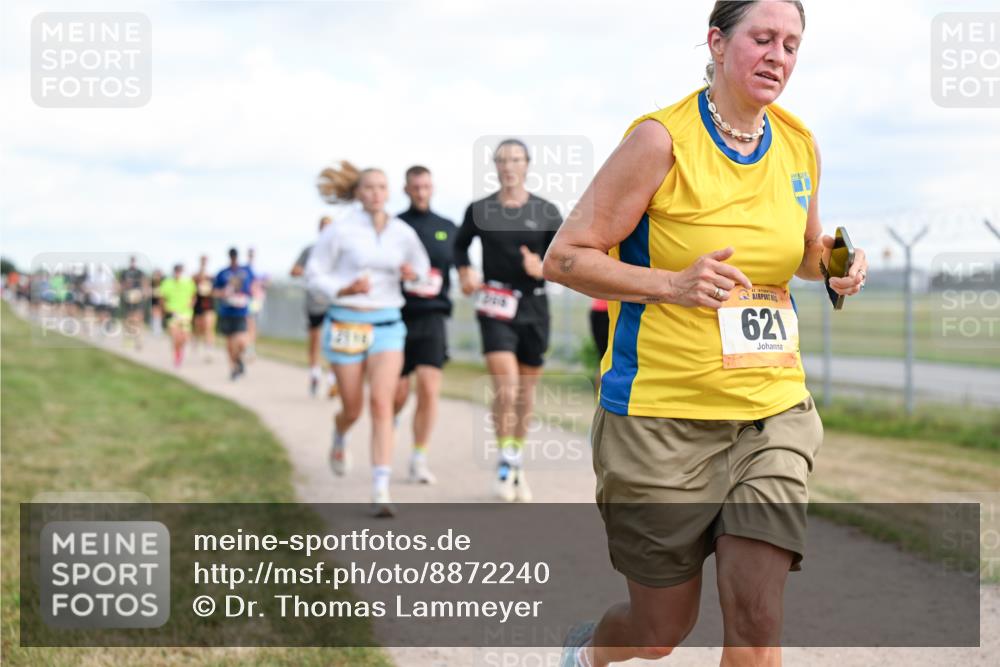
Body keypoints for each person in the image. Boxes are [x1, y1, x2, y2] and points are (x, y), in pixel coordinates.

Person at [541, 2, 868, 665]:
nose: (778, 55)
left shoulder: (800, 142)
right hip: (659, 418)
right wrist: (672, 284)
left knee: (756, 614)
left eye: (793, 45)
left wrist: (834, 262)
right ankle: (588, 654)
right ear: (717, 43)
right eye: (763, 38)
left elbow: (803, 251)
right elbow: (565, 256)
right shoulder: (660, 141)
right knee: (660, 630)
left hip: (768, 410)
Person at [306, 162, 431, 517]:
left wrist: (412, 274)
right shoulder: (340, 231)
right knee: (353, 407)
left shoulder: (402, 232)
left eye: (382, 187)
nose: (376, 193)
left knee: (382, 402)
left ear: (388, 193)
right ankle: (340, 433)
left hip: (388, 324)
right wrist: (343, 287)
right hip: (346, 321)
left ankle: (380, 488)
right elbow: (315, 274)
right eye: (369, 187)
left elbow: (422, 270)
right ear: (358, 194)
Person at [454, 138, 563, 503]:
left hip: (534, 307)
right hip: (495, 305)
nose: (508, 166)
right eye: (502, 160)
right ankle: (505, 460)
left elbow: (564, 258)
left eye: (515, 159)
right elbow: (458, 245)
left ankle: (515, 461)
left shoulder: (547, 211)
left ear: (527, 164)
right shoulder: (479, 209)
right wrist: (465, 271)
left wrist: (543, 268)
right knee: (507, 386)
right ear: (495, 166)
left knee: (525, 395)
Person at [392, 165, 456, 485]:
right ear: (406, 189)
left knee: (429, 389)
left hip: (433, 316)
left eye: (426, 186)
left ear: (433, 188)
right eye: (415, 187)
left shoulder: (446, 226)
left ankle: (419, 456)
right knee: (398, 392)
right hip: (399, 316)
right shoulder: (395, 226)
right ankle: (391, 424)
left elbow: (463, 265)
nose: (421, 192)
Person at [291, 216, 338, 398]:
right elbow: (294, 270)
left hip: (335, 302)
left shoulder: (339, 250)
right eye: (324, 227)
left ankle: (334, 378)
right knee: (315, 339)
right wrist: (309, 271)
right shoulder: (310, 250)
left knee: (336, 341)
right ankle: (315, 374)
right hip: (315, 301)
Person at [213, 248, 254, 380]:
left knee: (240, 340)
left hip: (241, 311)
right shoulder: (222, 273)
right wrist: (223, 293)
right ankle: (234, 367)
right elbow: (214, 291)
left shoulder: (245, 272)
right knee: (230, 343)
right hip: (226, 311)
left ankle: (239, 360)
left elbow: (254, 285)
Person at [158, 263, 196, 367]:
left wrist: (191, 305)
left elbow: (193, 296)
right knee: (175, 337)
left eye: (180, 271)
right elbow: (162, 298)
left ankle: (181, 350)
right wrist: (165, 309)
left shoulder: (188, 282)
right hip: (172, 313)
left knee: (184, 338)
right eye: (177, 271)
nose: (178, 273)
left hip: (185, 314)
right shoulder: (167, 283)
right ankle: (177, 356)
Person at [191, 255, 217, 362]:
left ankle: (209, 351)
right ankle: (196, 340)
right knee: (198, 328)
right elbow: (191, 292)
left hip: (209, 306)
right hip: (198, 306)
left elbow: (215, 291)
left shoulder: (211, 277)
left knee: (208, 327)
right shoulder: (195, 277)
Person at [119, 256, 148, 350]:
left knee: (138, 319)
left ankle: (139, 340)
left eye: (134, 261)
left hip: (138, 298)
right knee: (128, 319)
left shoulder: (140, 272)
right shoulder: (124, 273)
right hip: (127, 298)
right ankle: (129, 337)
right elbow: (121, 285)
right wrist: (123, 290)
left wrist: (144, 293)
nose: (132, 263)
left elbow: (144, 283)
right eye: (131, 261)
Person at [150, 269, 165, 336]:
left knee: (160, 315)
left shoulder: (163, 283)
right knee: (155, 314)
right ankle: (155, 329)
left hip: (160, 301)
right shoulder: (152, 283)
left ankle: (159, 329)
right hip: (154, 301)